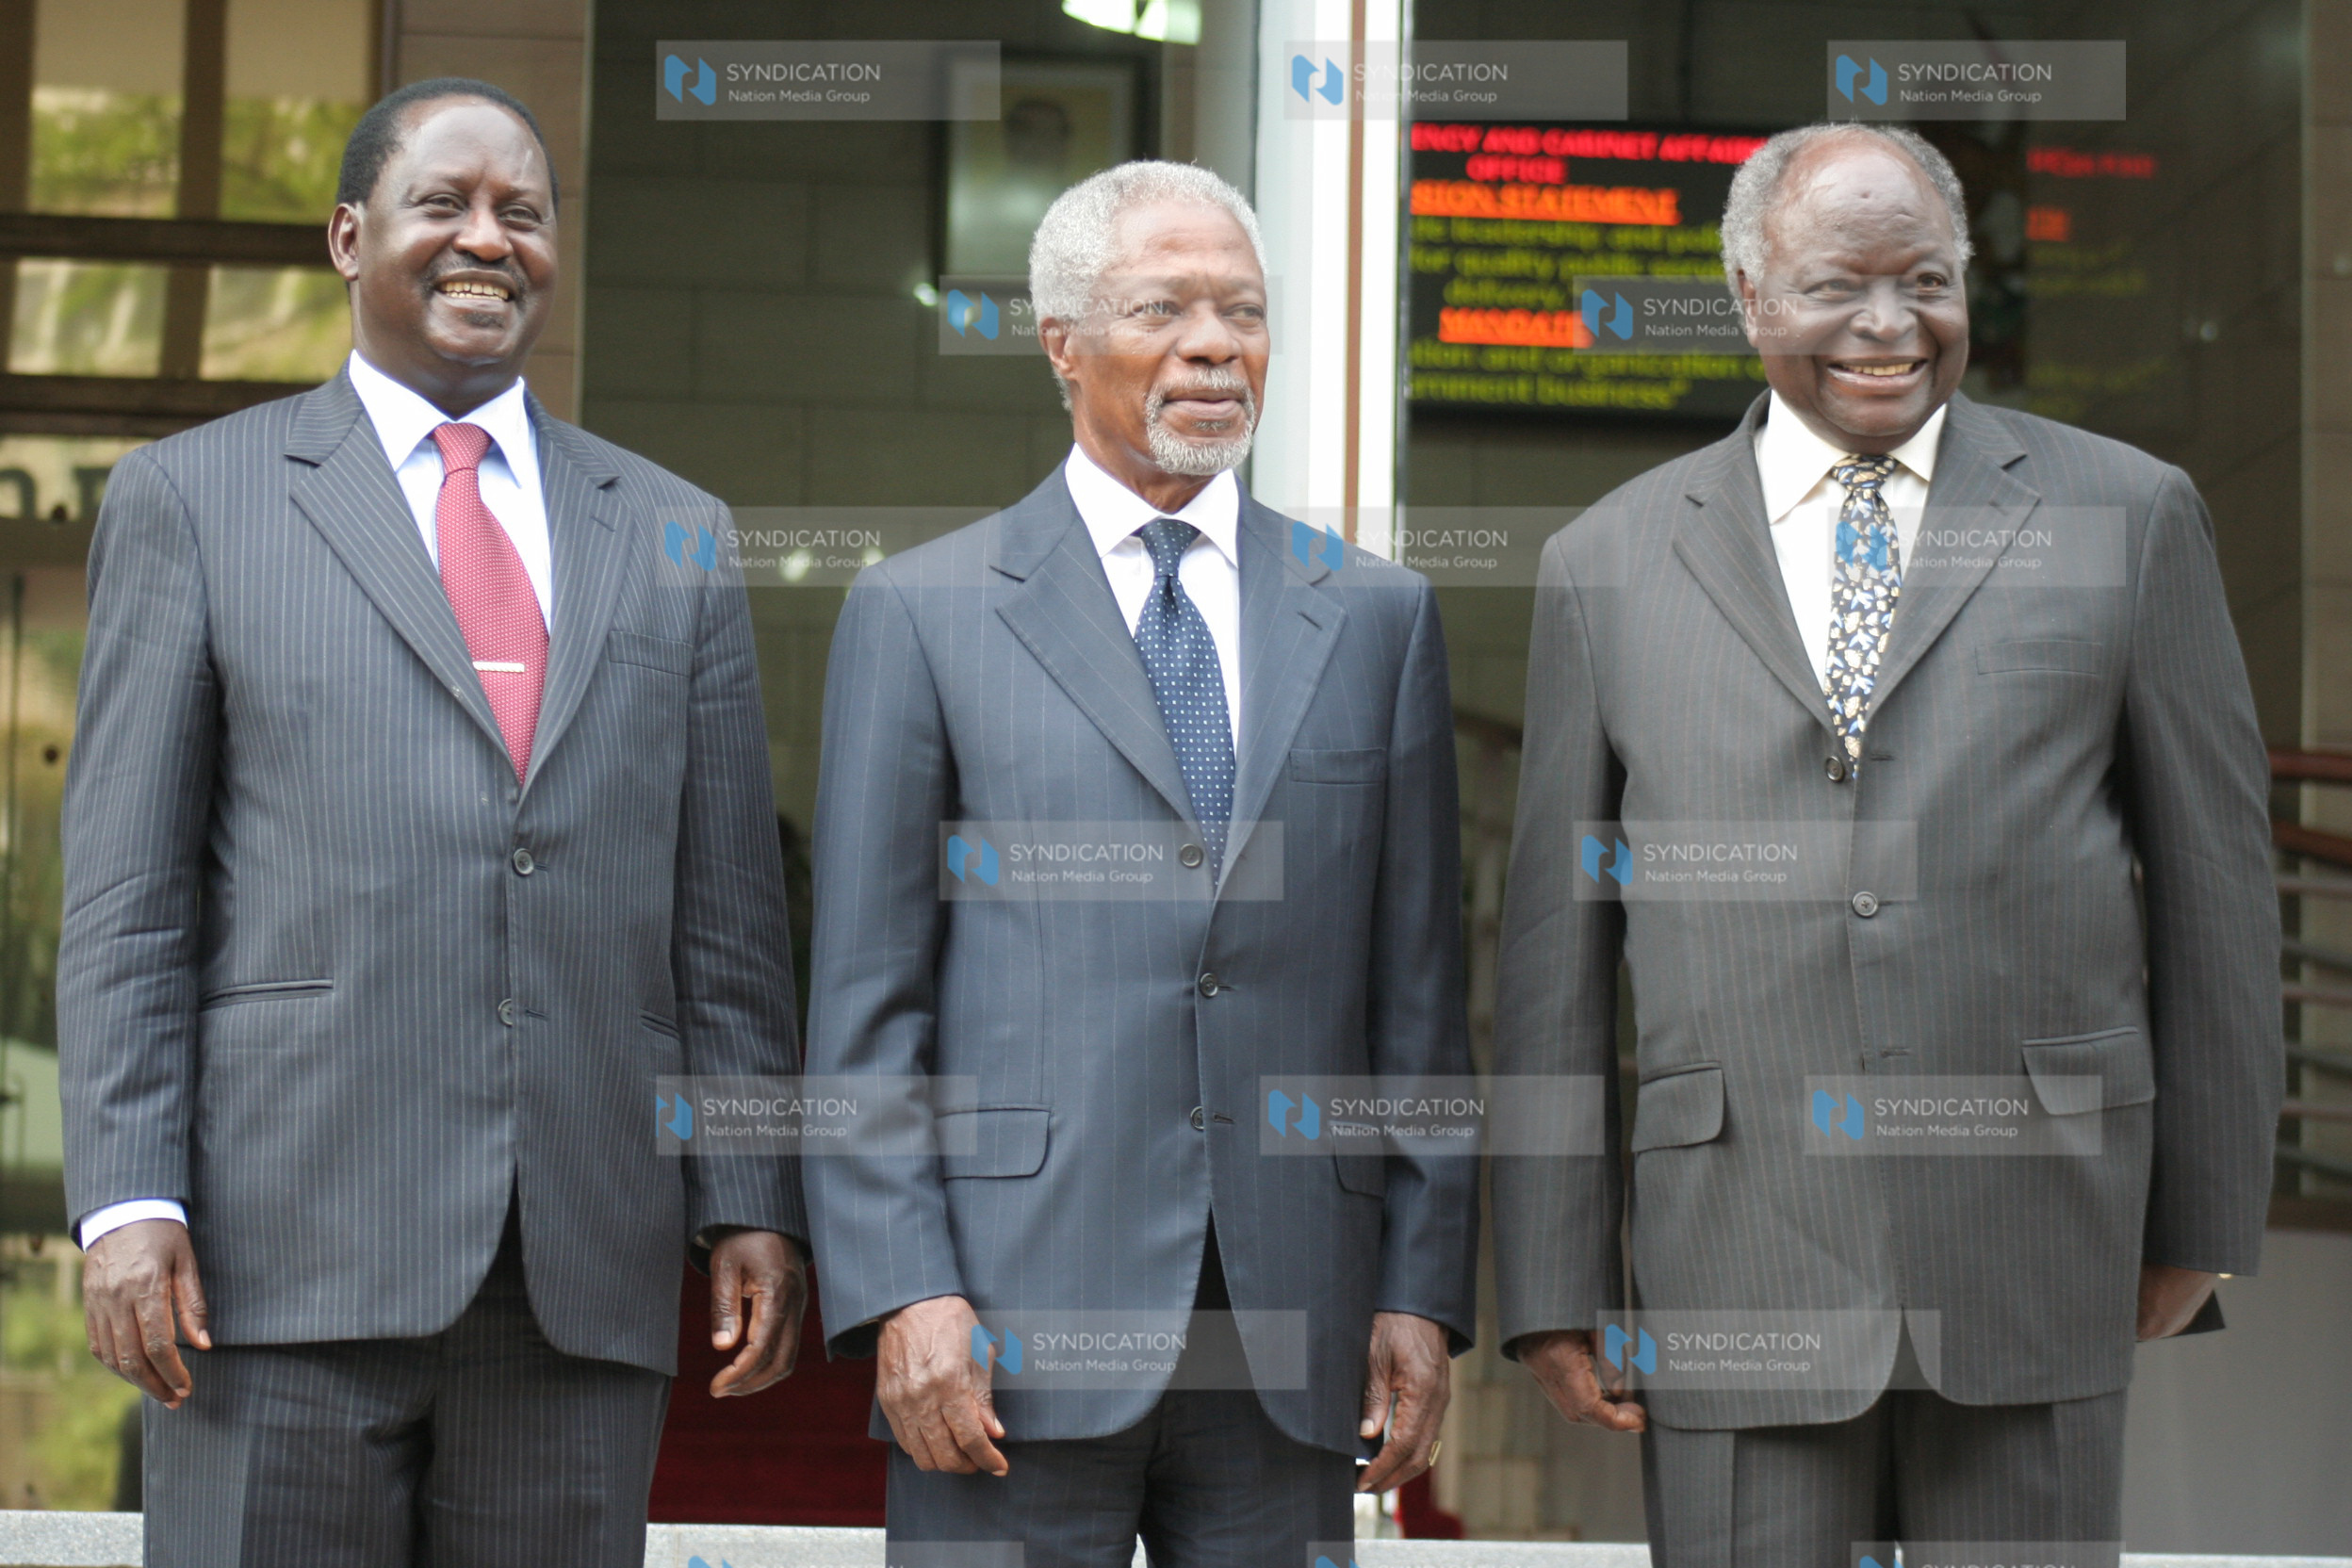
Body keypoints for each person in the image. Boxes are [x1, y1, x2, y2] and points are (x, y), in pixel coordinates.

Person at [1493, 122, 2280, 1568]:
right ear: (1746, 298)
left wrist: (2206, 1213)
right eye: (1835, 286)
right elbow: (1557, 944)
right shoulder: (1603, 563)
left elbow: (2221, 896)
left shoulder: (2129, 514)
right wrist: (1550, 1277)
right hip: (1735, 1252)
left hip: (2040, 1244)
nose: (1886, 325)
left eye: (1925, 281)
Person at [59, 77, 808, 1567]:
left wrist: (749, 1195)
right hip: (273, 1265)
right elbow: (130, 901)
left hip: (575, 1275)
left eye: (521, 214)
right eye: (444, 205)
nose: (490, 240)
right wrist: (127, 1199)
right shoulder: (193, 501)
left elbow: (725, 922)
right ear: (349, 238)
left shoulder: (675, 528)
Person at [802, 160, 1478, 1566]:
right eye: (1162, 307)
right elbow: (866, 1008)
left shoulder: (1375, 618)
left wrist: (1421, 1291)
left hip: (1294, 1336)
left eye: (1242, 310)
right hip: (1004, 1332)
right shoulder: (922, 615)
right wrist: (905, 1291)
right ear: (1061, 341)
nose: (1214, 343)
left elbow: (1419, 1005)